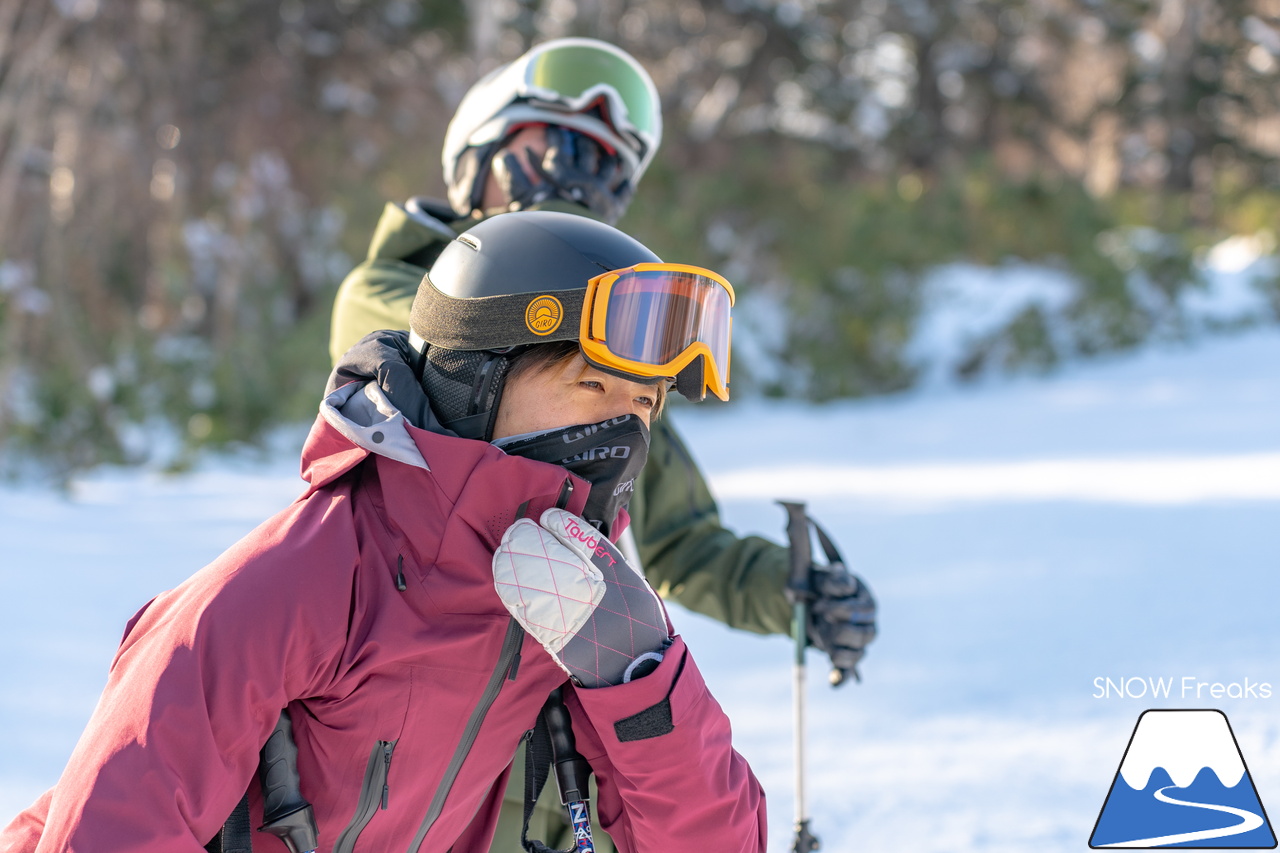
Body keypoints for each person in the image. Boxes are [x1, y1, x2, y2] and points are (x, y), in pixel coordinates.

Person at [1, 211, 766, 853]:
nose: (621, 433)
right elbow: (111, 824)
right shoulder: (310, 572)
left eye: (644, 407)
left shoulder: (575, 607)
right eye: (592, 385)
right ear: (475, 382)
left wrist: (643, 676)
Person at [329, 36, 876, 675]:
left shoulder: (621, 344)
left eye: (603, 164)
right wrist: (562, 230)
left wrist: (789, 591)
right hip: (397, 657)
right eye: (555, 148)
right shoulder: (389, 285)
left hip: (550, 662)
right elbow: (468, 345)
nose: (580, 175)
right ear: (477, 160)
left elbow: (681, 540)